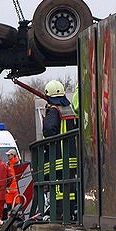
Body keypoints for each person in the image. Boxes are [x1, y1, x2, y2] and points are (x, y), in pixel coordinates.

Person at [41, 80, 79, 220]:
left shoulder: (53, 110)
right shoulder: (69, 108)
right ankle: (72, 210)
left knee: (58, 186)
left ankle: (59, 212)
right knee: (71, 184)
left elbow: (49, 129)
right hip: (72, 156)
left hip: (58, 157)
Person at [4, 148, 20, 213]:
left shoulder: (18, 164)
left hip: (16, 189)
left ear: (13, 155)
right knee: (9, 208)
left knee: (17, 207)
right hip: (9, 190)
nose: (8, 157)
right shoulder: (7, 164)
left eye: (9, 155)